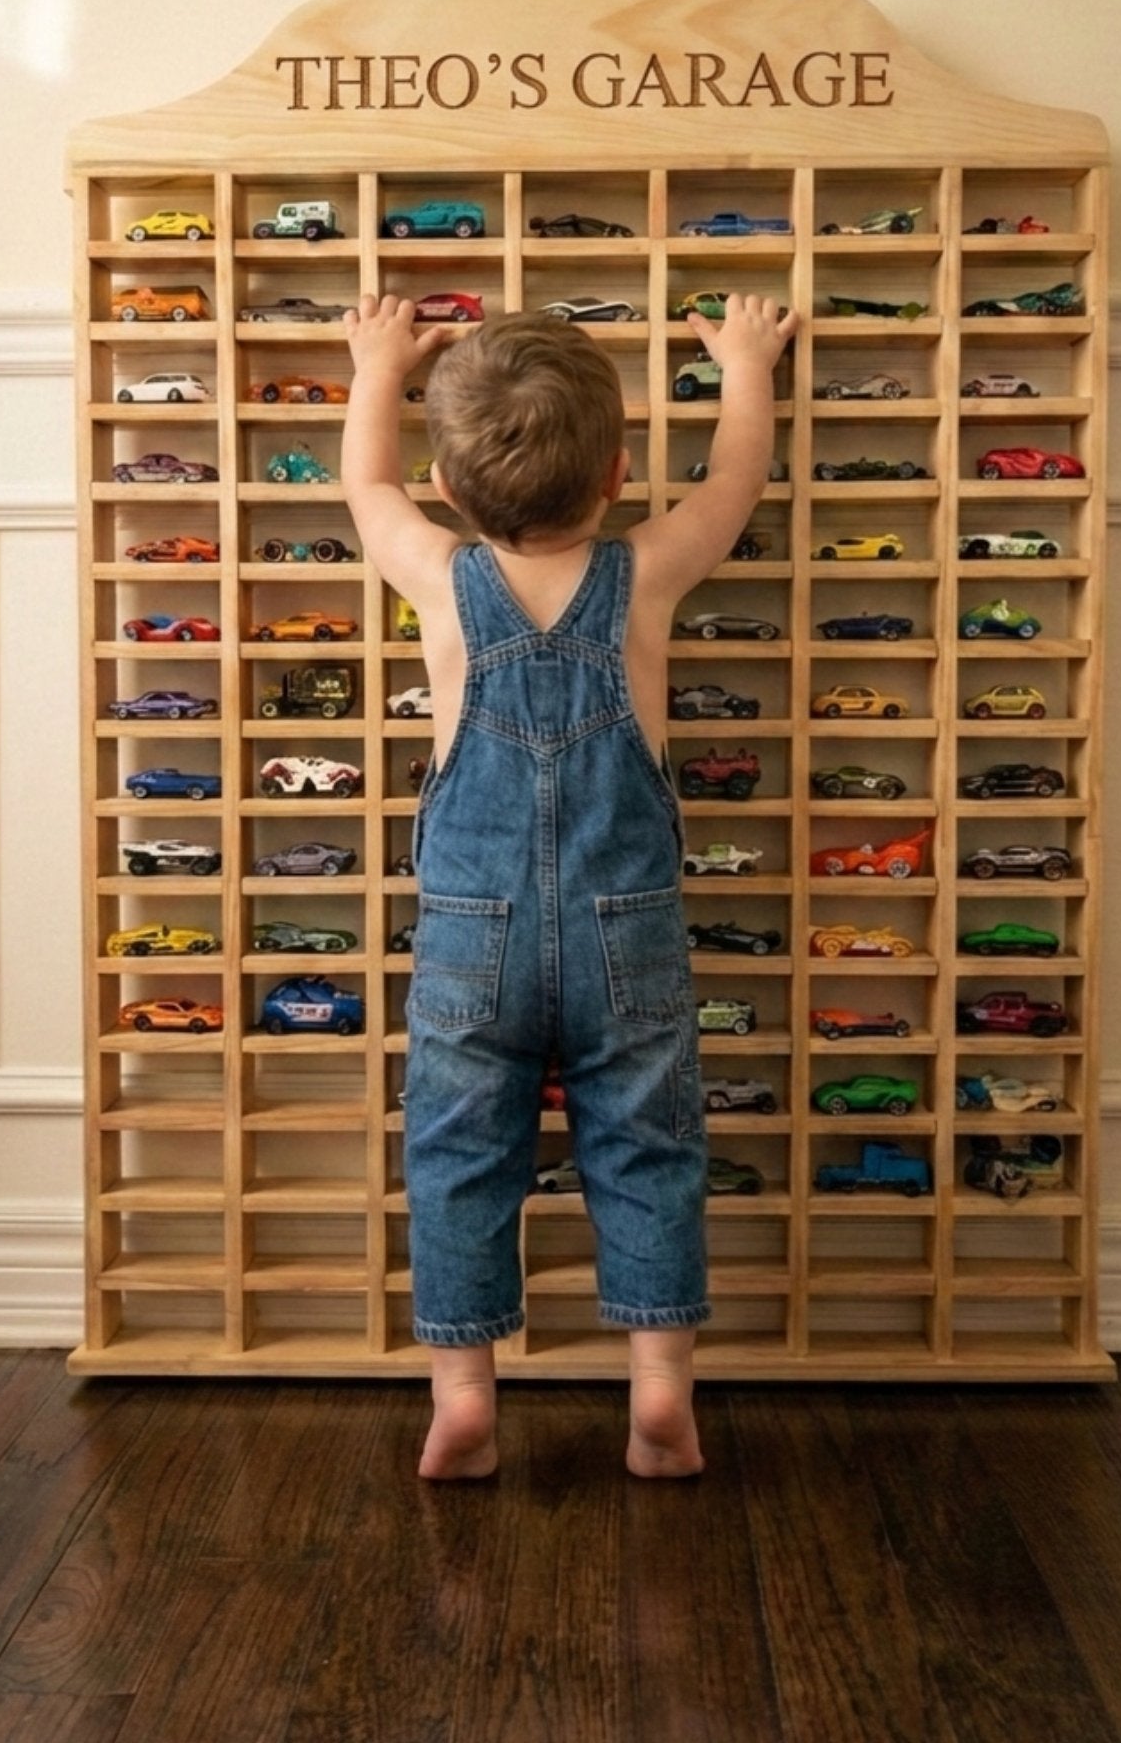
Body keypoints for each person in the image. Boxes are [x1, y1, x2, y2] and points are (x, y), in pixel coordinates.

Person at [342, 289, 797, 1479]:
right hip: (624, 931)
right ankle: (657, 1391)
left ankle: (463, 1392)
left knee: (456, 1153)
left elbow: (365, 491)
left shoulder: (440, 576)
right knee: (648, 1150)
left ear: (451, 484)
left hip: (470, 935)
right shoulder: (641, 573)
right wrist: (742, 362)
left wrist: (379, 365)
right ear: (614, 473)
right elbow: (733, 487)